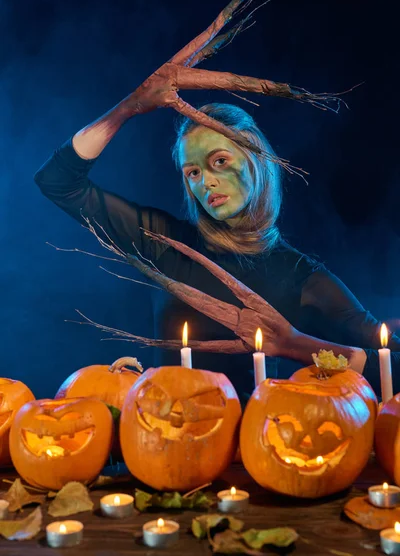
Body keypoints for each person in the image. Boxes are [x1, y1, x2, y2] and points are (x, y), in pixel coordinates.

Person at [34, 92, 400, 406]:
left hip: (255, 461)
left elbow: (391, 365)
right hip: (158, 438)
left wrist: (294, 344)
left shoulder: (301, 276)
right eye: (192, 172)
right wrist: (130, 107)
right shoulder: (165, 243)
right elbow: (58, 181)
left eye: (219, 161)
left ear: (255, 157)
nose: (205, 181)